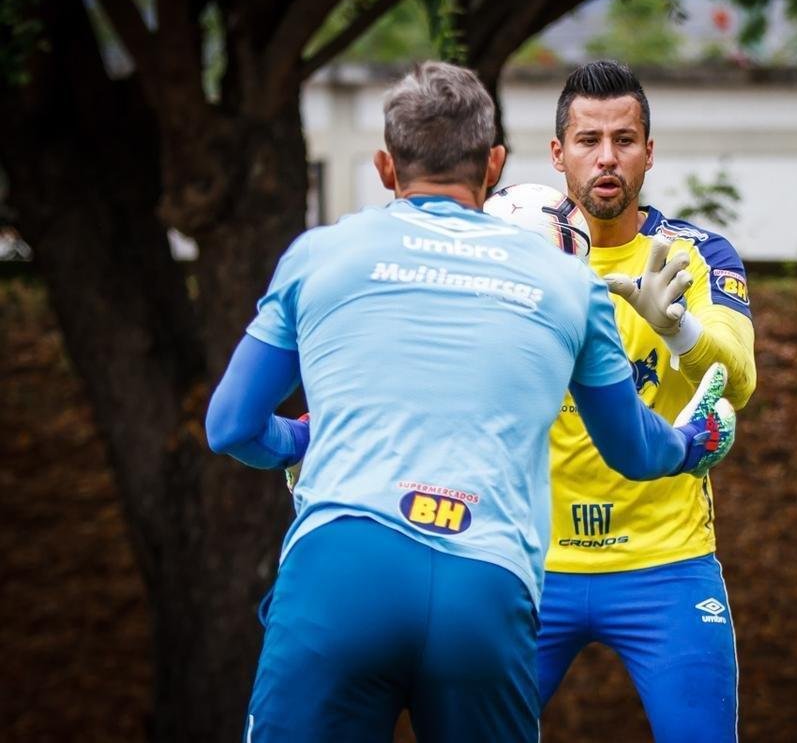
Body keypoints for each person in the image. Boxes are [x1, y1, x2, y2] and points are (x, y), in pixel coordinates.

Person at [204, 61, 736, 743]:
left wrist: (303, 440)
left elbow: (230, 425)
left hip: (341, 574)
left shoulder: (320, 254)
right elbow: (634, 449)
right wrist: (691, 442)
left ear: (385, 168)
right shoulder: (566, 280)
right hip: (484, 582)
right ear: (495, 165)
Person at [538, 61, 758, 742]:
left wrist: (679, 329)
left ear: (649, 152)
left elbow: (740, 379)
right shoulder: (522, 255)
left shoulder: (693, 254)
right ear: (558, 153)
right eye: (588, 139)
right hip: (531, 563)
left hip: (667, 564)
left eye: (625, 139)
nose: (607, 157)